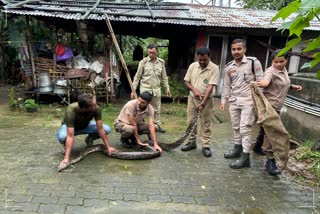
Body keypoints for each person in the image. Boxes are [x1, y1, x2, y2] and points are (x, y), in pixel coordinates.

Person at [251, 49, 302, 175]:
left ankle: (257, 147)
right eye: (276, 62)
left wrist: (292, 86)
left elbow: (280, 83)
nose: (278, 64)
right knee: (271, 132)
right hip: (269, 107)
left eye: (282, 61)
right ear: (272, 61)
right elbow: (266, 81)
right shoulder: (270, 71)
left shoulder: (283, 71)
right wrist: (260, 83)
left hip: (277, 106)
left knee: (266, 129)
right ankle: (270, 161)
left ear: (287, 60)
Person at [220, 38, 263, 168]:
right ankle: (237, 149)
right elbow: (226, 86)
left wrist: (258, 101)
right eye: (234, 49)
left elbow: (261, 81)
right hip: (234, 101)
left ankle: (246, 157)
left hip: (248, 101)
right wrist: (223, 101)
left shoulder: (253, 62)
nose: (236, 51)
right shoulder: (228, 67)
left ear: (244, 49)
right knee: (236, 127)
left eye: (239, 49)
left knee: (245, 128)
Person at [56, 93, 116, 171]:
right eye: (93, 105)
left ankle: (90, 138)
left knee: (106, 129)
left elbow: (100, 129)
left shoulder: (96, 108)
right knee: (63, 136)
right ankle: (66, 146)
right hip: (70, 127)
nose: (96, 106)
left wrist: (108, 147)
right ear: (85, 108)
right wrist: (66, 159)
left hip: (85, 125)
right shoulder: (71, 110)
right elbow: (70, 135)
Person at [181, 47, 220, 157]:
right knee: (190, 121)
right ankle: (191, 142)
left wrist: (203, 102)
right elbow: (186, 82)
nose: (202, 62)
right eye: (200, 60)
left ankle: (206, 145)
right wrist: (195, 90)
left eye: (205, 60)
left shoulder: (214, 68)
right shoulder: (193, 66)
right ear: (197, 57)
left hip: (207, 101)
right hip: (192, 99)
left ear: (209, 57)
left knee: (206, 123)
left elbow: (210, 86)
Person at [131, 44, 171, 133]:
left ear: (157, 51)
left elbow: (164, 77)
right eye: (149, 53)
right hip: (145, 90)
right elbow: (137, 77)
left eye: (153, 53)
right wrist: (133, 90)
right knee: (141, 109)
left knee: (156, 109)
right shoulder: (143, 62)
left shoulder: (161, 63)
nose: (151, 55)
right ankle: (139, 127)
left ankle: (157, 126)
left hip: (156, 91)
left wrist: (167, 88)